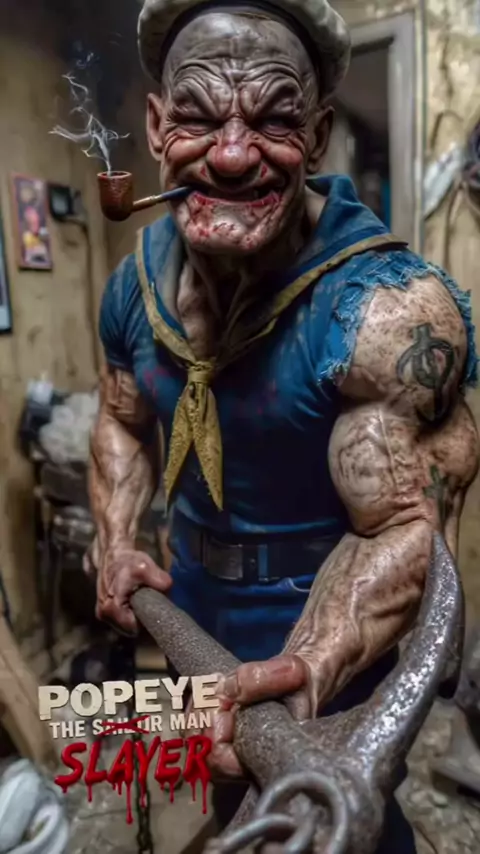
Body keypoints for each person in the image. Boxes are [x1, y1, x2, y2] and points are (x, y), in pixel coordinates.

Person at [86, 1, 480, 850]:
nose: (231, 155)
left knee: (339, 816)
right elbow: (119, 421)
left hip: (326, 616)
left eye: (273, 121)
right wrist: (117, 541)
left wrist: (311, 662)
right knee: (232, 798)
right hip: (191, 605)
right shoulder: (132, 288)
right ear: (156, 127)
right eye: (197, 118)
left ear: (320, 134)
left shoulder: (387, 313)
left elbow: (404, 526)